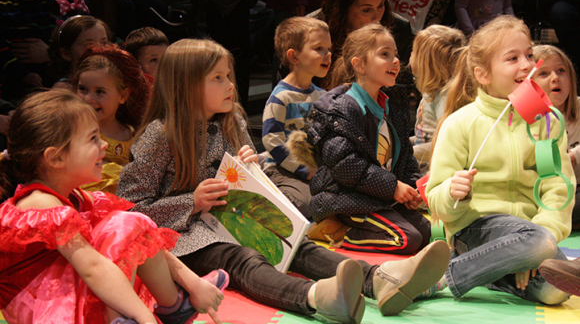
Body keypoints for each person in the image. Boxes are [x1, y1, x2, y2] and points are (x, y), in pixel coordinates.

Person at [116, 38, 451, 323]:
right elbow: (129, 211)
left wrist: (251, 170)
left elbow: (243, 182)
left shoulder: (231, 120)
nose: (231, 85)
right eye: (217, 78)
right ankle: (317, 297)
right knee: (244, 259)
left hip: (236, 217)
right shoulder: (160, 135)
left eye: (228, 76)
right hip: (185, 238)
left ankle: (378, 279)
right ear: (185, 87)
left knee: (296, 243)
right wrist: (193, 201)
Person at [0, 89, 226, 324]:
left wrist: (193, 283)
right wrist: (144, 316)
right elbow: (93, 268)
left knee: (131, 223)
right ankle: (124, 318)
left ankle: (176, 305)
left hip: (60, 294)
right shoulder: (41, 203)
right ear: (56, 158)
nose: (104, 145)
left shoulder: (77, 197)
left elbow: (144, 236)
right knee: (124, 224)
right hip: (42, 308)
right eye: (92, 139)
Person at [426, 15, 573, 304]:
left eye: (529, 55)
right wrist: (453, 193)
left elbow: (557, 188)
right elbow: (436, 198)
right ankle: (445, 276)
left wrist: (538, 240)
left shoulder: (548, 122)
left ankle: (498, 270)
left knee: (559, 288)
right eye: (513, 58)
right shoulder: (460, 123)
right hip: (476, 229)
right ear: (483, 75)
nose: (527, 65)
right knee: (540, 244)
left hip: (534, 232)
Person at [288, 23, 429, 255]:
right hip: (346, 198)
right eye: (385, 54)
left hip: (378, 195)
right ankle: (337, 231)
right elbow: (346, 166)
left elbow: (403, 156)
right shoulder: (343, 108)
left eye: (395, 55)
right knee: (407, 238)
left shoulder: (391, 103)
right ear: (360, 64)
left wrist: (414, 187)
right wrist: (393, 187)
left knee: (424, 232)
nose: (395, 61)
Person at [262, 17, 330, 219]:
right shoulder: (281, 98)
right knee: (305, 204)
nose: (328, 54)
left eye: (328, 48)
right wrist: (303, 170)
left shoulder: (322, 95)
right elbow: (272, 141)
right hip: (283, 169)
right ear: (294, 56)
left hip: (314, 169)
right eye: (319, 48)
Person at [311, 0, 414, 89]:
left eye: (381, 6)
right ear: (343, 9)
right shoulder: (313, 31)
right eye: (366, 10)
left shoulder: (398, 29)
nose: (377, 17)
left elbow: (401, 86)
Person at [74, 44, 151, 193]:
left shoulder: (133, 134)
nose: (88, 99)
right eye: (82, 89)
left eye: (100, 92)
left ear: (123, 96)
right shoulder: (74, 132)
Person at [532, 44, 580, 228]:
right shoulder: (521, 120)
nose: (555, 78)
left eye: (561, 71)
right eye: (544, 73)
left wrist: (575, 155)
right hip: (543, 196)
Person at [410, 25, 466, 174]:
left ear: (425, 63)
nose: (410, 55)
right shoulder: (431, 92)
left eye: (414, 52)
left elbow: (443, 143)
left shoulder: (445, 97)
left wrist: (409, 153)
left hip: (434, 171)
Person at [0, 0, 58, 103]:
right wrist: (23, 74)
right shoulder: (3, 6)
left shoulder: (52, 4)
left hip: (49, 84)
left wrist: (50, 54)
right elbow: (2, 49)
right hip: (13, 85)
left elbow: (60, 40)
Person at [48, 15, 111, 89]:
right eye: (89, 45)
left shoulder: (110, 80)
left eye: (104, 43)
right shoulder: (64, 89)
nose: (99, 49)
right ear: (66, 54)